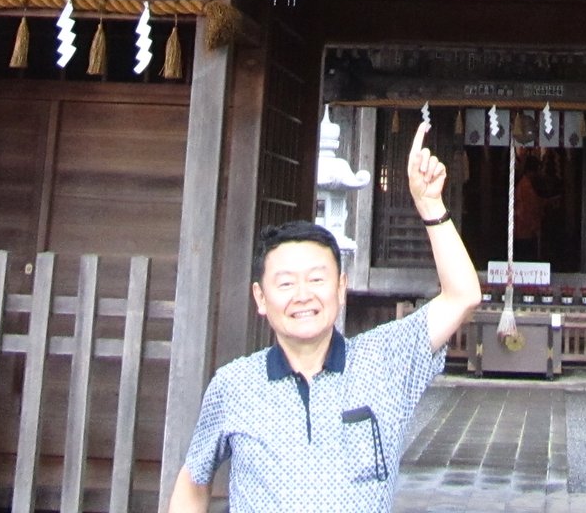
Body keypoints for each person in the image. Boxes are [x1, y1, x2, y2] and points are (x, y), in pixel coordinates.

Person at [166, 121, 482, 512]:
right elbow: (193, 479)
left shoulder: (384, 360)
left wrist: (431, 205)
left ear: (340, 287)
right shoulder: (234, 386)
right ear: (260, 298)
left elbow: (463, 296)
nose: (303, 295)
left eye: (317, 278)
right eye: (285, 284)